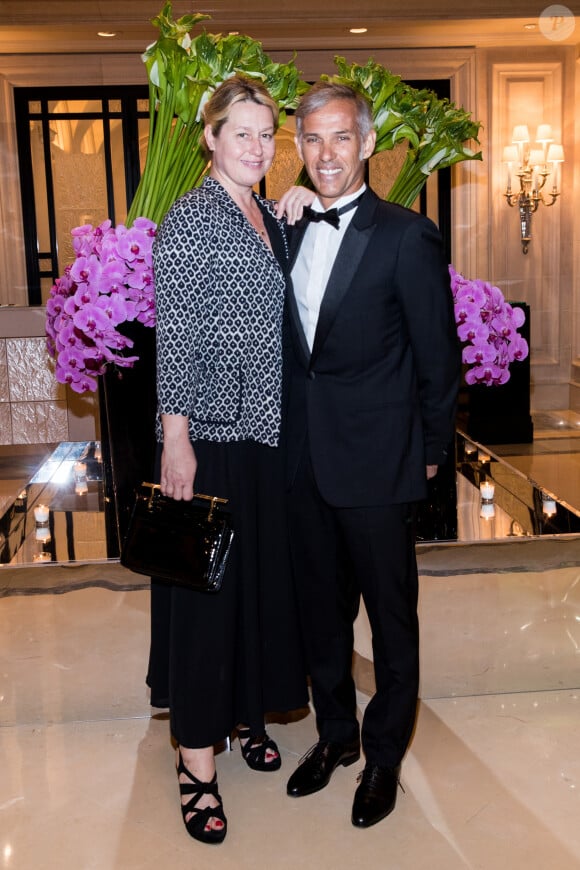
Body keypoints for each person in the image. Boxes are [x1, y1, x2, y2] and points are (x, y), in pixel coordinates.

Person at [284, 81, 461, 828]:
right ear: (297, 149)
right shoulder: (281, 227)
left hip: (380, 461)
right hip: (301, 460)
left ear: (366, 145)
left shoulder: (405, 234)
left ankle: (385, 755)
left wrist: (426, 453)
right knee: (319, 616)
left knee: (390, 621)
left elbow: (439, 357)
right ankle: (336, 737)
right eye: (313, 140)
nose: (327, 154)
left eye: (341, 139)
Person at [147, 75, 311, 845]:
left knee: (253, 584)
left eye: (266, 134)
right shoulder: (188, 219)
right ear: (209, 138)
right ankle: (195, 763)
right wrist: (174, 439)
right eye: (240, 132)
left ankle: (245, 713)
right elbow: (173, 339)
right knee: (207, 598)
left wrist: (302, 208)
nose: (257, 147)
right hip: (208, 436)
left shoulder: (267, 216)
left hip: (264, 434)